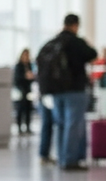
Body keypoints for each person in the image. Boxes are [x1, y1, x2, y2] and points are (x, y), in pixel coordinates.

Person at [37, 14, 97, 171]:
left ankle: (62, 157)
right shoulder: (76, 42)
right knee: (74, 124)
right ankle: (71, 160)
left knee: (61, 125)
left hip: (55, 91)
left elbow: (39, 62)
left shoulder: (51, 43)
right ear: (76, 25)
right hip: (75, 89)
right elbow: (92, 54)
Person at [12, 48, 35, 135]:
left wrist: (31, 77)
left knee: (28, 110)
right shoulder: (19, 66)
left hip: (28, 90)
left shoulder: (29, 65)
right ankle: (19, 128)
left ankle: (28, 127)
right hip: (21, 91)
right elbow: (16, 79)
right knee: (20, 110)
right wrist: (25, 76)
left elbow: (32, 78)